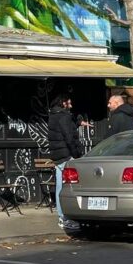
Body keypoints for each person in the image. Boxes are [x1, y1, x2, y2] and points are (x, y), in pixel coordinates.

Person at [47, 91, 83, 227]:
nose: (71, 105)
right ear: (63, 103)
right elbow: (69, 137)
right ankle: (69, 216)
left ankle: (62, 216)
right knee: (72, 187)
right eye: (69, 102)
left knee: (60, 187)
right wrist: (76, 154)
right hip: (67, 155)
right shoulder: (64, 116)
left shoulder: (53, 116)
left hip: (58, 156)